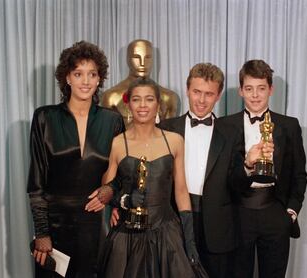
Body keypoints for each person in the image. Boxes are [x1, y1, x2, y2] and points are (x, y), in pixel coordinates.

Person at [27, 40, 125, 277]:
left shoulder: (112, 120)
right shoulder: (45, 117)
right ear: (67, 78)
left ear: (99, 79)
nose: (86, 81)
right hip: (54, 227)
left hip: (95, 227)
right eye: (78, 73)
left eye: (92, 74)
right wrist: (42, 233)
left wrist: (110, 190)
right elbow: (36, 184)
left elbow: (124, 173)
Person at [98, 78, 206, 278]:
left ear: (158, 104)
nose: (142, 105)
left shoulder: (174, 141)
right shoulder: (118, 143)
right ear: (128, 104)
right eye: (137, 99)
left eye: (149, 99)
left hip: (167, 233)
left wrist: (189, 240)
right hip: (127, 236)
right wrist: (122, 201)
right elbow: (107, 189)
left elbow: (181, 191)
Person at [221, 59, 307, 278]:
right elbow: (222, 177)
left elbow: (299, 174)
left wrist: (290, 212)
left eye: (261, 88)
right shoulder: (224, 126)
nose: (255, 95)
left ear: (271, 89)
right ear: (240, 91)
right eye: (249, 89)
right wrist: (247, 165)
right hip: (238, 213)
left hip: (275, 212)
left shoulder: (289, 126)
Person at [158, 63, 243, 277]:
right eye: (196, 92)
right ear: (187, 89)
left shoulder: (232, 133)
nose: (202, 100)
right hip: (174, 221)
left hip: (218, 227)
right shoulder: (165, 128)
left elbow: (237, 183)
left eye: (209, 94)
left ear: (218, 95)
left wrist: (249, 166)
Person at [100, 39, 178, 126]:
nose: (142, 63)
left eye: (147, 57)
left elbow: (170, 135)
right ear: (127, 59)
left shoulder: (169, 98)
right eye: (136, 57)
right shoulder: (111, 97)